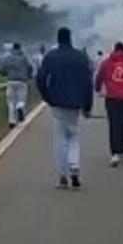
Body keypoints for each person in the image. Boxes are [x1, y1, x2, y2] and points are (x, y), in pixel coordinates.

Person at [36, 28, 93, 189]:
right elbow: (88, 83)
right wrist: (87, 105)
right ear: (70, 38)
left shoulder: (51, 56)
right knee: (74, 135)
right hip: (75, 102)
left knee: (61, 137)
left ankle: (62, 175)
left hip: (57, 101)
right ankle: (74, 168)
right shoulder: (81, 57)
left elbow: (40, 78)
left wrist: (46, 97)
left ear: (58, 39)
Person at [96, 42, 123, 168]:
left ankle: (114, 152)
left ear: (114, 50)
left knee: (113, 124)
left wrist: (97, 88)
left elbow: (99, 77)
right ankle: (121, 150)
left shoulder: (107, 62)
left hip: (112, 99)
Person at [0, 43, 34, 128]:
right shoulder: (24, 57)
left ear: (13, 48)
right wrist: (29, 76)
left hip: (11, 81)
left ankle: (11, 121)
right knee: (21, 99)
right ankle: (20, 107)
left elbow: (2, 69)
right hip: (22, 81)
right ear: (20, 48)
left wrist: (5, 74)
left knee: (11, 101)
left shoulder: (8, 57)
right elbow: (30, 67)